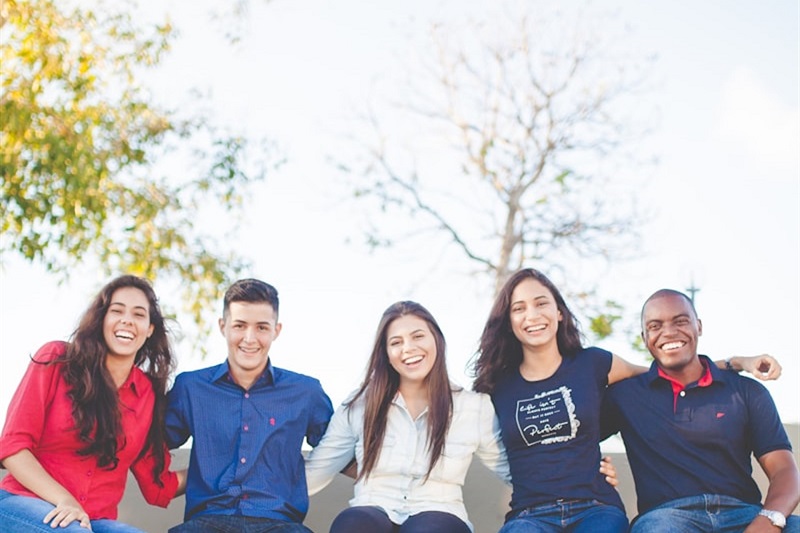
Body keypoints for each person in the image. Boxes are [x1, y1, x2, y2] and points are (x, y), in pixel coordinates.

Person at [470, 267, 780, 533]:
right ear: (508, 319)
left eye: (541, 303)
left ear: (559, 312)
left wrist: (734, 362)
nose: (532, 315)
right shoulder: (497, 385)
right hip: (529, 514)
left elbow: (665, 371)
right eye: (519, 308)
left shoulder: (593, 363)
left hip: (595, 508)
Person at [601, 288, 800, 532]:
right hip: (667, 519)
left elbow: (783, 469)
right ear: (644, 337)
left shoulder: (746, 391)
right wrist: (596, 468)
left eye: (681, 321)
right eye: (655, 326)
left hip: (744, 514)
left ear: (699, 326)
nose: (669, 332)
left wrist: (769, 520)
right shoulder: (624, 395)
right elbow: (568, 440)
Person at [304, 301, 511, 533]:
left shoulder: (474, 407)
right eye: (396, 342)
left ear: (436, 340)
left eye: (417, 336)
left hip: (440, 511)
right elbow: (317, 470)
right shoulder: (360, 405)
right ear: (386, 353)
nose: (408, 348)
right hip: (372, 507)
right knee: (352, 525)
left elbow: (510, 468)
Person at [0, 274, 186, 532]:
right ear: (102, 320)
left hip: (95, 521)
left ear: (150, 329)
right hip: (22, 503)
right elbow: (13, 447)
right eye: (117, 310)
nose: (127, 320)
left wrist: (221, 467)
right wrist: (65, 500)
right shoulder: (57, 360)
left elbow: (158, 487)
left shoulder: (148, 395)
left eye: (139, 314)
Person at [165, 278, 334, 533]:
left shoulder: (306, 392)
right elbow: (148, 442)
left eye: (262, 327)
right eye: (240, 325)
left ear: (276, 330)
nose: (249, 338)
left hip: (281, 524)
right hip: (206, 522)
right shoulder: (191, 387)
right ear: (223, 327)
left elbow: (342, 449)